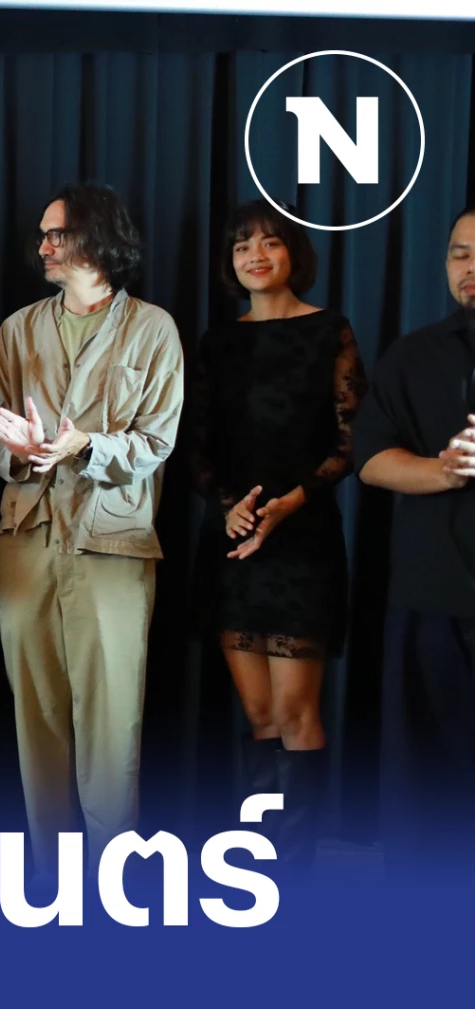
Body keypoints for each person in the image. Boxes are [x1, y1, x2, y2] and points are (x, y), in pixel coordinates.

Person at [0, 183, 183, 877]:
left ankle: (111, 880)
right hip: (27, 538)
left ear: (98, 238)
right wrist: (22, 450)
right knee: (36, 715)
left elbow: (156, 440)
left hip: (111, 543)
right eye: (43, 234)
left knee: (111, 717)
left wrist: (83, 446)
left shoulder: (152, 329)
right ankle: (51, 877)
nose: (43, 247)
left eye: (56, 234)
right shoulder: (18, 329)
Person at [187, 198, 365, 869]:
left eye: (270, 242)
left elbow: (350, 442)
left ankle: (297, 870)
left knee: (295, 716)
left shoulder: (330, 331)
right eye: (242, 246)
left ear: (294, 253)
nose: (255, 256)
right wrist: (227, 506)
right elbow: (195, 445)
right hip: (235, 545)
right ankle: (261, 863)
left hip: (302, 541)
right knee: (259, 717)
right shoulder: (217, 342)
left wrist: (293, 501)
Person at [355, 205, 475, 868]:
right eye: (459, 253)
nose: (469, 267)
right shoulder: (414, 354)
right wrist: (444, 470)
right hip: (431, 600)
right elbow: (371, 459)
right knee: (426, 790)